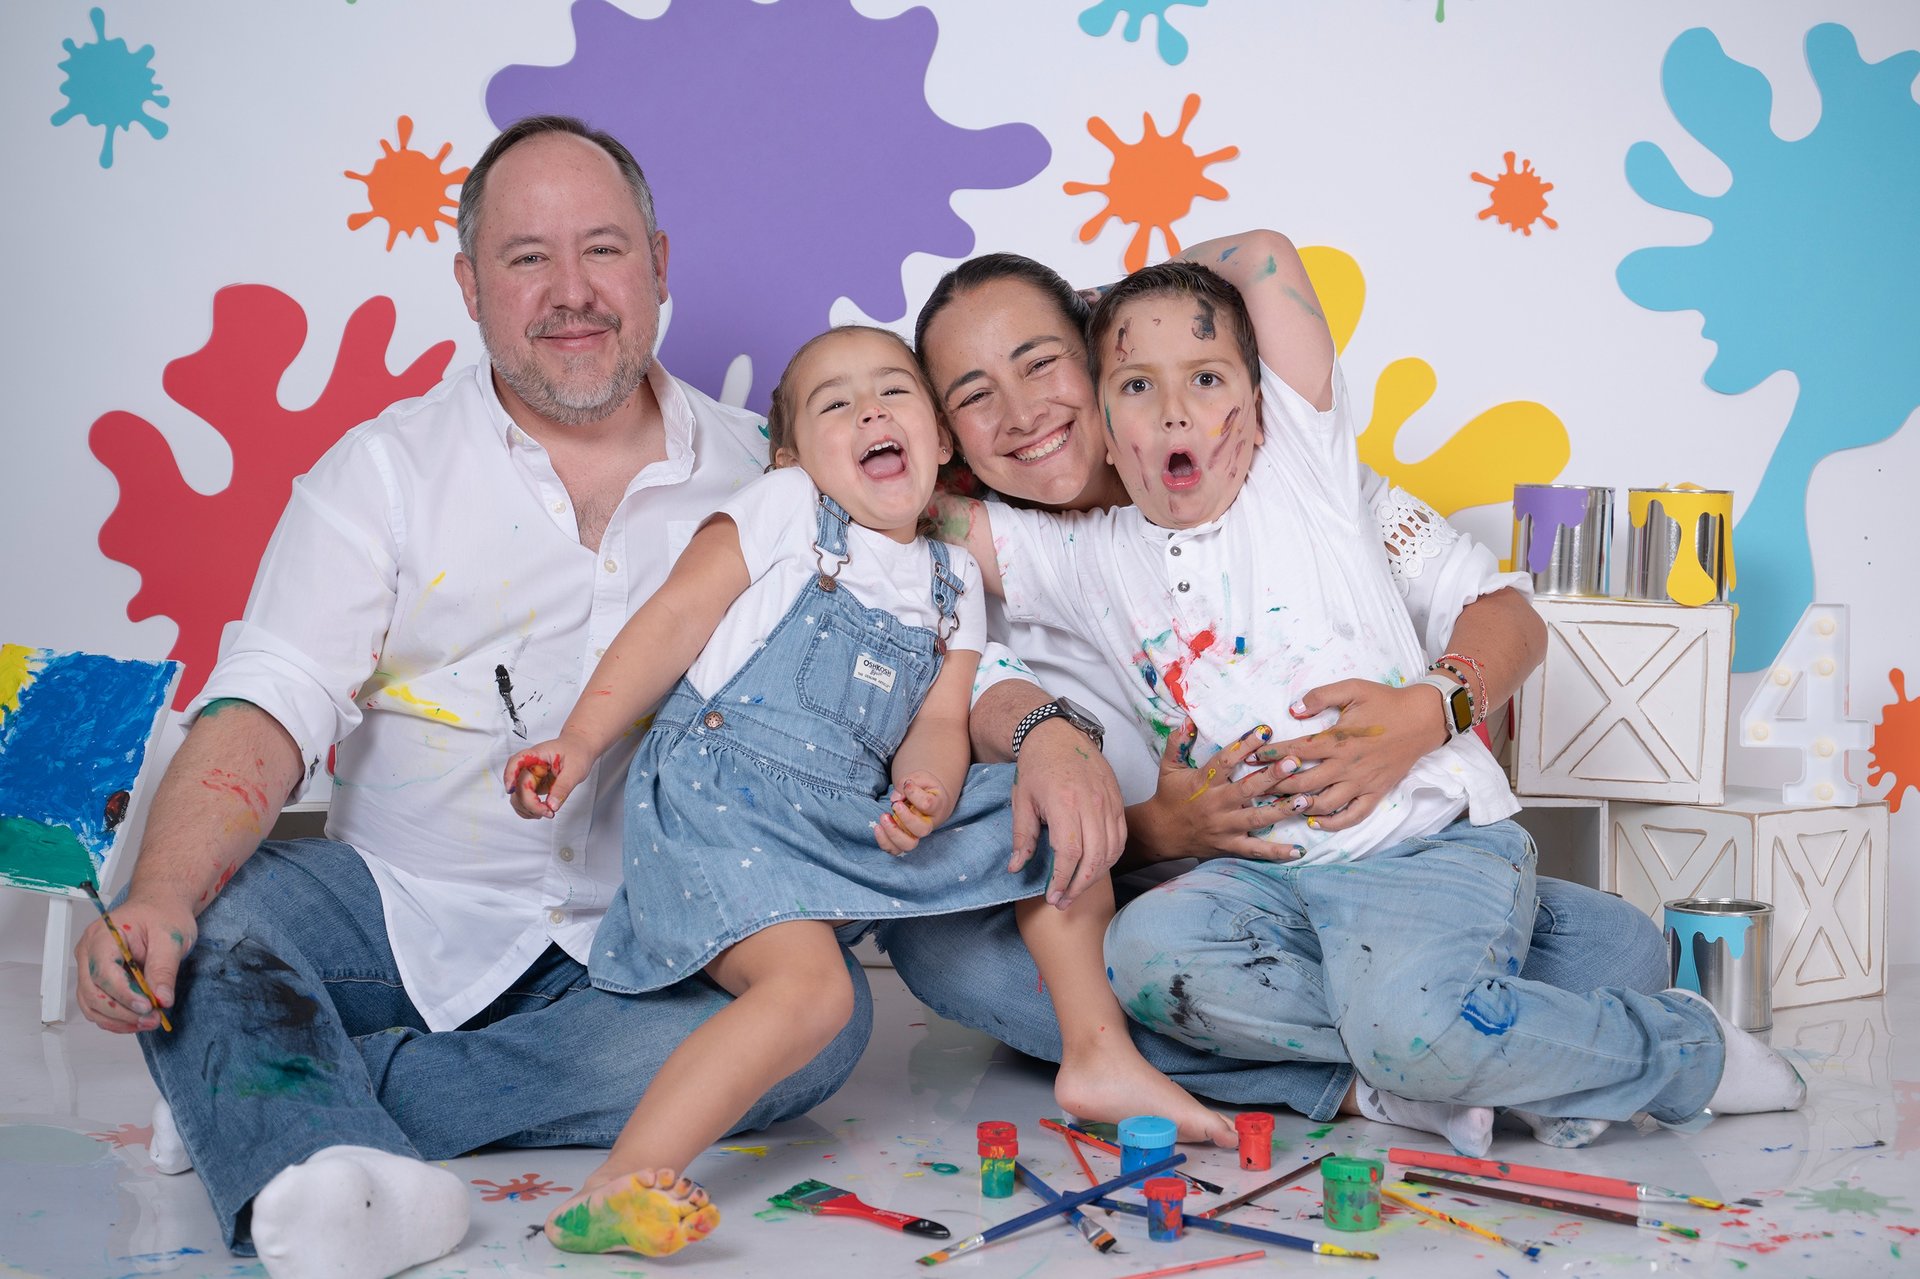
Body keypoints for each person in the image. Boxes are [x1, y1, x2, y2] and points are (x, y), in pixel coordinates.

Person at [67, 116, 876, 1279]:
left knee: (825, 1020)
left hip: (652, 941)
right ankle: (329, 1172)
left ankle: (286, 1102)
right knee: (210, 917)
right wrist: (160, 897)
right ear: (468, 284)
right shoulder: (381, 473)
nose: (571, 292)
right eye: (525, 257)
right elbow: (273, 696)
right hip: (398, 911)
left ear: (658, 263)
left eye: (602, 250)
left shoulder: (769, 480)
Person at [938, 258, 1807, 1148]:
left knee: (1612, 949)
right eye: (973, 396)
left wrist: (1430, 708)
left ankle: (1651, 1052)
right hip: (1246, 889)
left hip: (1411, 849)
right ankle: (1447, 1062)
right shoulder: (1048, 566)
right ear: (945, 432)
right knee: (1131, 958)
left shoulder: (1302, 479)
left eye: (1040, 364)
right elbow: (923, 522)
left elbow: (1508, 615)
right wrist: (832, 453)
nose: (1021, 411)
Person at [502, 324, 1232, 1256]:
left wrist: (927, 788)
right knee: (816, 996)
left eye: (893, 392)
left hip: (848, 810)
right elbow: (675, 617)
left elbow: (937, 718)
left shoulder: (952, 578)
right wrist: (578, 737)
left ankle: (1098, 1055)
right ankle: (618, 1183)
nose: (870, 410)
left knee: (1049, 801)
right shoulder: (784, 510)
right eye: (834, 403)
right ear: (792, 453)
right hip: (726, 806)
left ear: (937, 442)